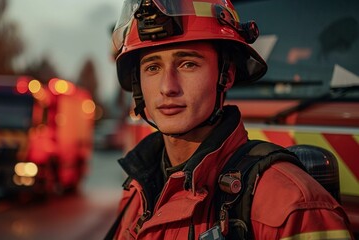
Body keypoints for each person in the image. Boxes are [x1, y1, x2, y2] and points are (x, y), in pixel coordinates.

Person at [107, 0, 354, 239]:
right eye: (152, 67)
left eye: (188, 64)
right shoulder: (136, 191)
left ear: (227, 75)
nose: (167, 87)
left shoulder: (293, 205)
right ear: (138, 83)